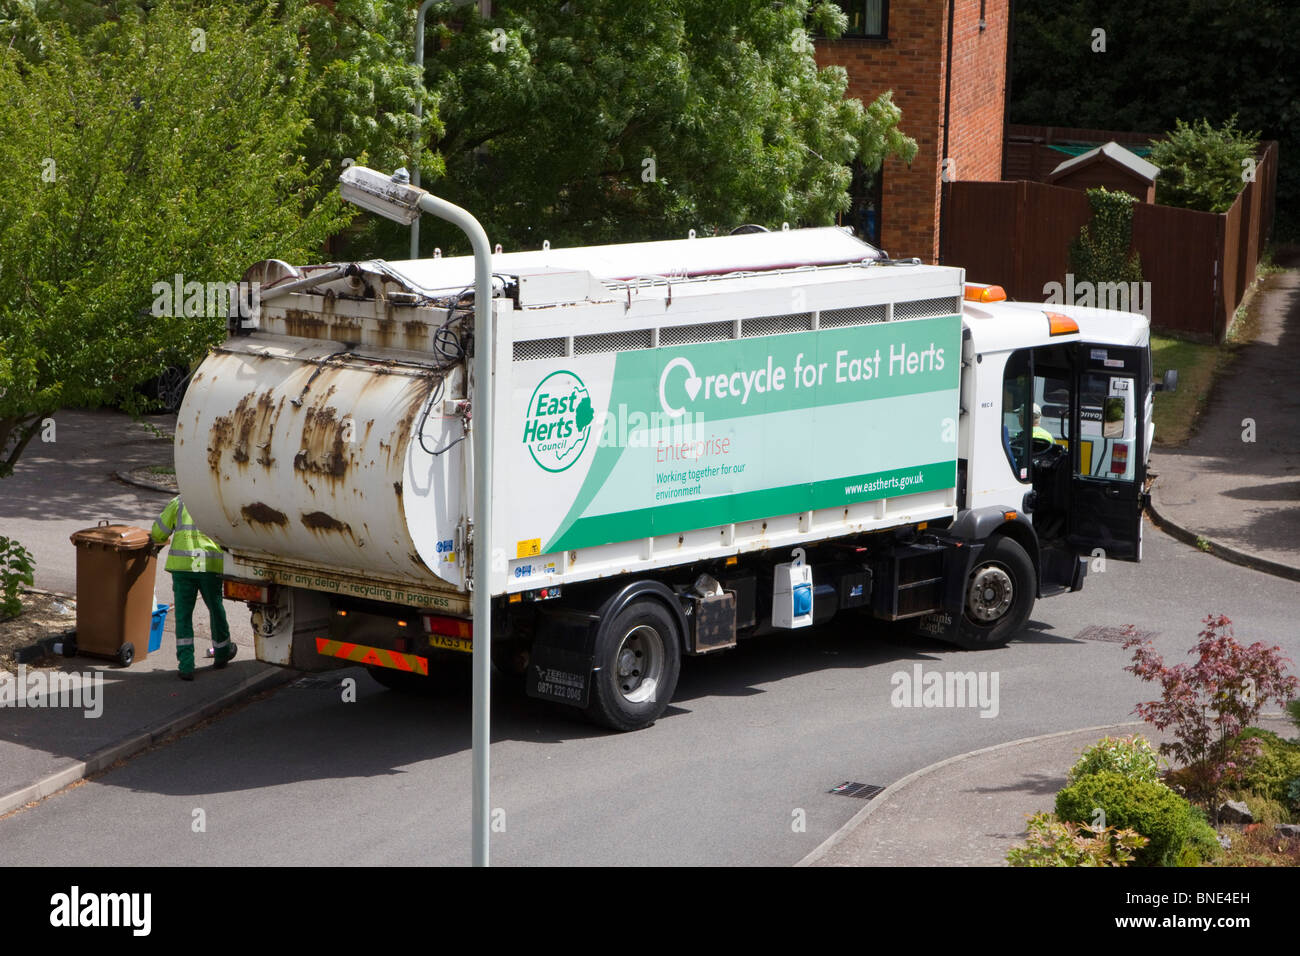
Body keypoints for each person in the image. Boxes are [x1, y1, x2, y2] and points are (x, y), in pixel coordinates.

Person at [150, 495, 234, 680]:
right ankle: (221, 654)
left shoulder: (179, 502)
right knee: (216, 610)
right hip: (209, 566)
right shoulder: (218, 500)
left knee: (183, 616)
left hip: (183, 567)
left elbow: (158, 533)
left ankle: (186, 666)